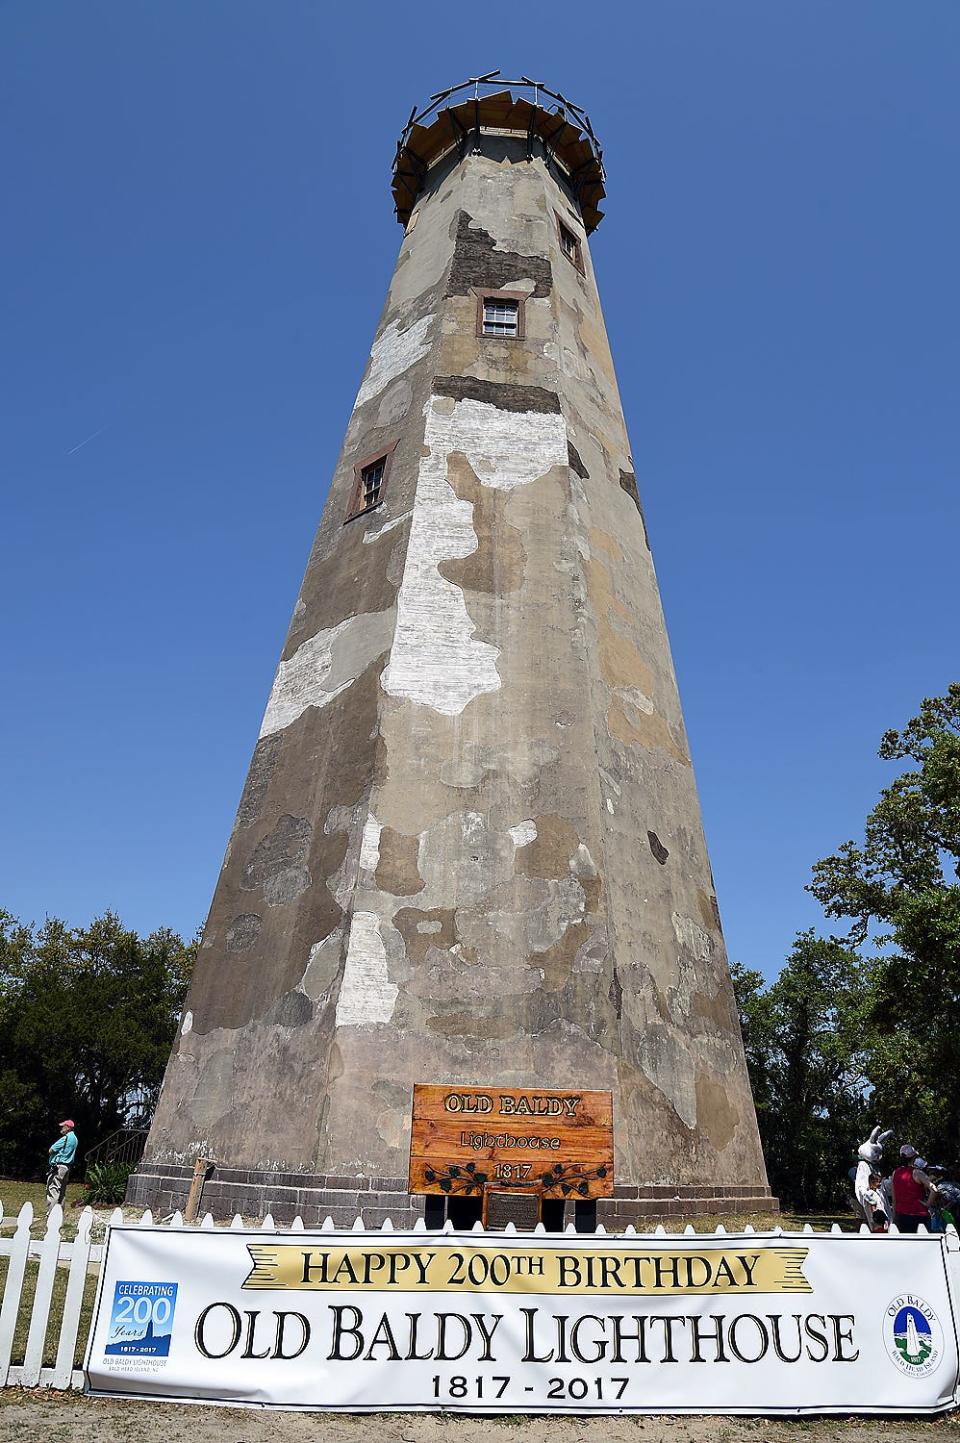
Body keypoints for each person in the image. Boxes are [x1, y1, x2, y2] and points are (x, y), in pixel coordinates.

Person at [892, 1143, 932, 1233]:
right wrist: (927, 1204)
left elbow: (894, 1199)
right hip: (918, 1215)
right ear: (914, 1158)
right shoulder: (918, 1173)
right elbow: (935, 1190)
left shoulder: (895, 1173)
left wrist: (894, 1217)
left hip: (901, 1215)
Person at [45, 1118, 78, 1214]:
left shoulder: (65, 1138)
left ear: (68, 1128)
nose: (61, 1128)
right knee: (62, 1191)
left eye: (63, 1126)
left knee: (53, 1189)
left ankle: (51, 1214)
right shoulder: (75, 1139)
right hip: (67, 1167)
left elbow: (51, 1150)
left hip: (58, 1167)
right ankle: (60, 1213)